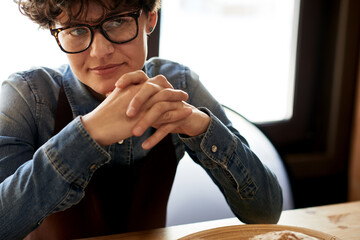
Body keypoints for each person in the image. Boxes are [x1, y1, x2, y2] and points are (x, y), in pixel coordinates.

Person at [0, 0, 283, 239]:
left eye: (117, 22)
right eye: (76, 30)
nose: (100, 51)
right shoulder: (28, 96)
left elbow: (266, 212)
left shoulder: (179, 85)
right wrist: (89, 133)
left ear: (150, 19)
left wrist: (201, 127)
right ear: (56, 32)